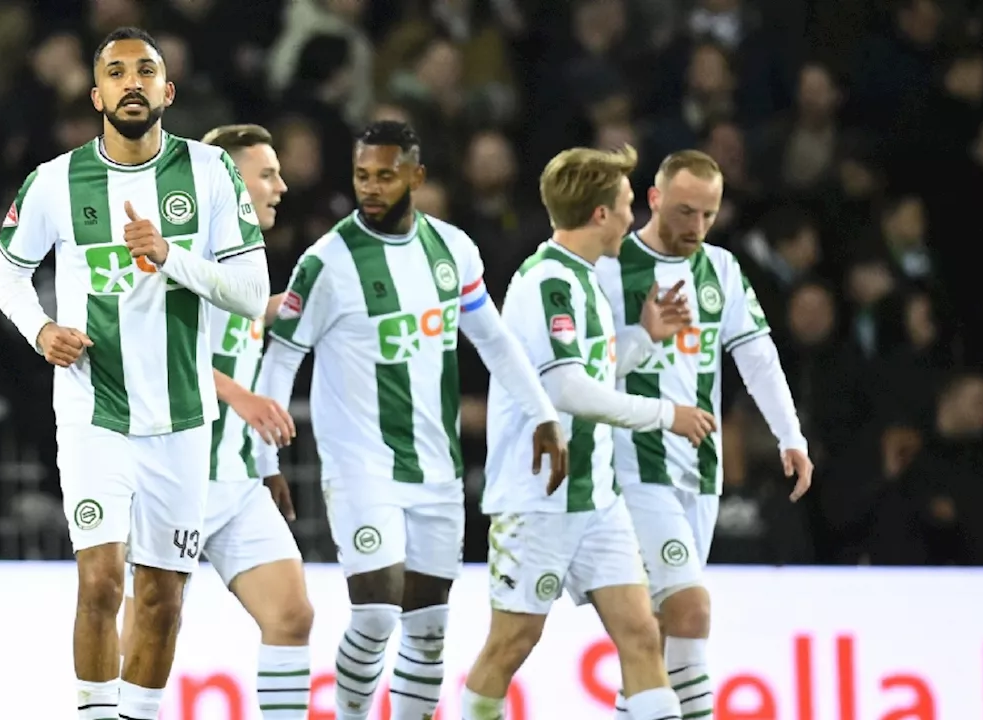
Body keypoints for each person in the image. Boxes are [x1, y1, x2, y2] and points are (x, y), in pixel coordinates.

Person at [0, 27, 270, 720]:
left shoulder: (208, 173)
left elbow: (251, 291)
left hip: (179, 417)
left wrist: (170, 256)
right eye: (116, 73)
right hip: (93, 412)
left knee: (162, 599)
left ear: (168, 91)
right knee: (102, 581)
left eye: (146, 71)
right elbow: (7, 272)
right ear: (96, 95)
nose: (132, 82)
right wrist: (43, 328)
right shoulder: (56, 180)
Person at [254, 120, 569, 720]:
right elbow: (283, 357)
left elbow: (494, 340)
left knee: (427, 633)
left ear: (416, 177)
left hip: (436, 470)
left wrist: (543, 415)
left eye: (385, 175)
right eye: (362, 176)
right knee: (375, 613)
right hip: (360, 467)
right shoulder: (327, 262)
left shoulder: (452, 250)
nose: (370, 188)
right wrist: (265, 460)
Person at [461, 145, 716, 720]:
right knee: (511, 644)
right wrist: (663, 413)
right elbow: (568, 391)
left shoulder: (585, 279)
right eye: (627, 204)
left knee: (641, 635)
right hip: (539, 499)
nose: (634, 216)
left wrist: (644, 336)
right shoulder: (548, 283)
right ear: (600, 214)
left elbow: (593, 371)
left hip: (597, 499)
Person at [595, 149, 814, 720]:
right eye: (685, 211)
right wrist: (642, 334)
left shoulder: (720, 269)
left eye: (708, 215)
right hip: (635, 469)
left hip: (702, 469)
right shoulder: (610, 266)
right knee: (690, 613)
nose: (696, 227)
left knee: (665, 632)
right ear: (655, 198)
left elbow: (758, 357)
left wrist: (790, 435)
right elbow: (586, 373)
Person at [118, 123, 314, 720]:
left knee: (291, 615)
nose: (281, 186)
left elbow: (235, 331)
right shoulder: (175, 248)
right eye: (266, 174)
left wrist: (263, 461)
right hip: (173, 475)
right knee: (156, 622)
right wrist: (241, 398)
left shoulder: (244, 262)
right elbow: (148, 348)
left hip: (232, 477)